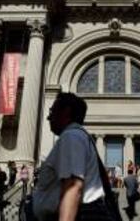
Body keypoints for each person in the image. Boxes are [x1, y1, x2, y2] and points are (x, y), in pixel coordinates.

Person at [32, 92, 107, 221]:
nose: (48, 118)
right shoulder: (78, 136)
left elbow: (73, 187)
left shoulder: (71, 137)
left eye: (52, 111)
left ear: (66, 112)